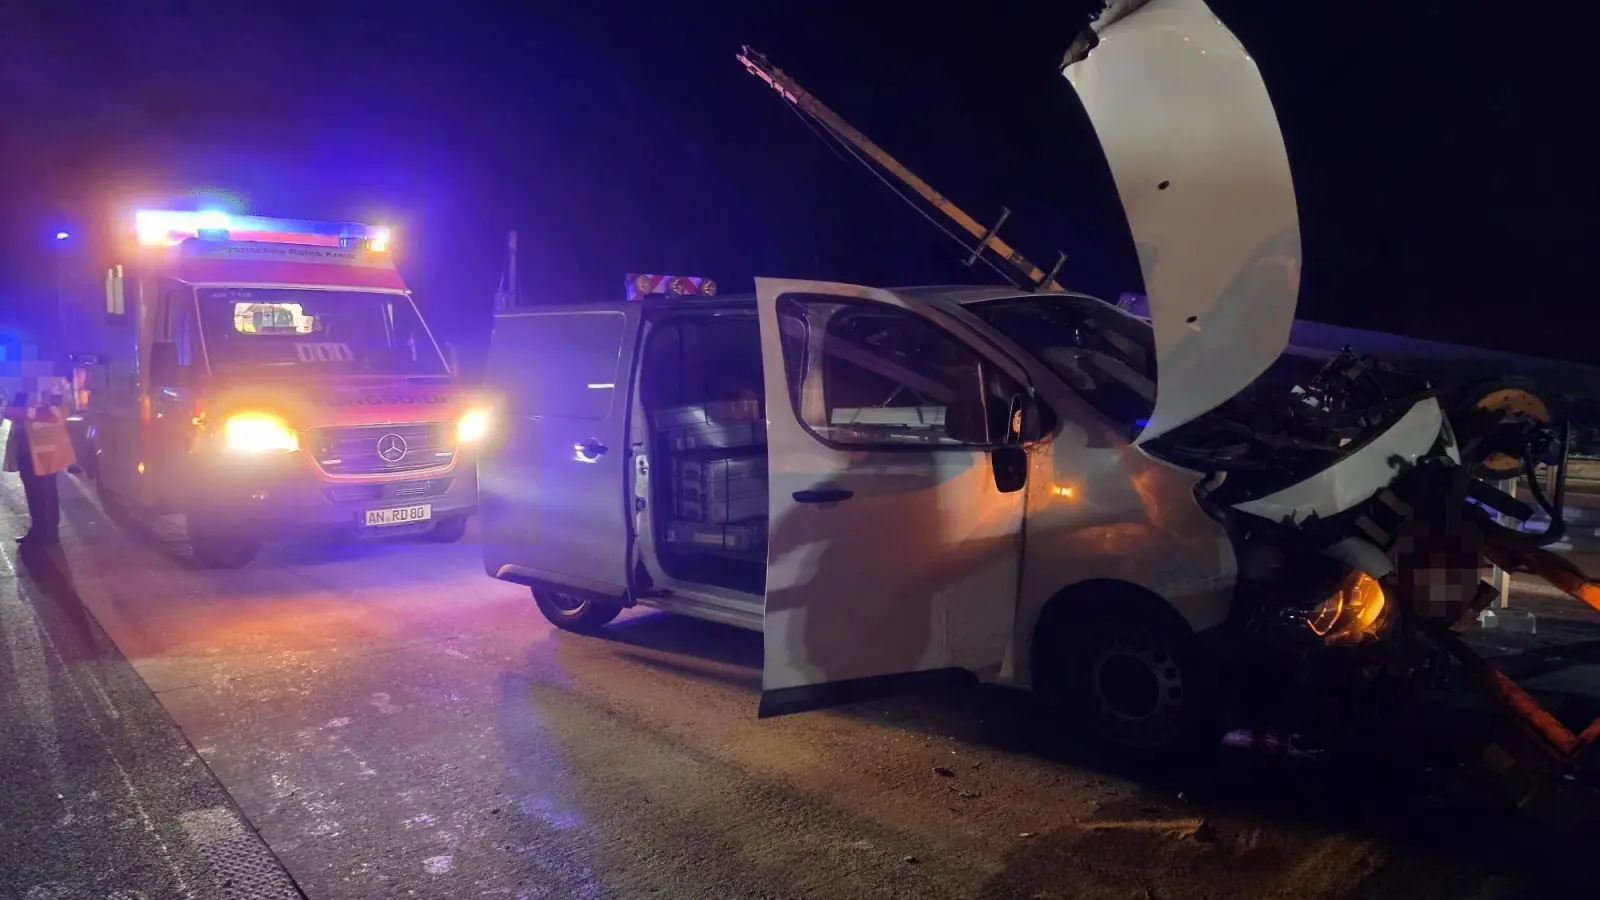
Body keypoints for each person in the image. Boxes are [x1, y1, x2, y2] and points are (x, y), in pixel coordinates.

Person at [4, 388, 73, 547]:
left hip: (45, 450)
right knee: (33, 492)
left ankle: (48, 534)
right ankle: (38, 531)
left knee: (45, 493)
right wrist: (10, 411)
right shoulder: (23, 386)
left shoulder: (51, 383)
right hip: (26, 447)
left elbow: (57, 412)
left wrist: (23, 412)